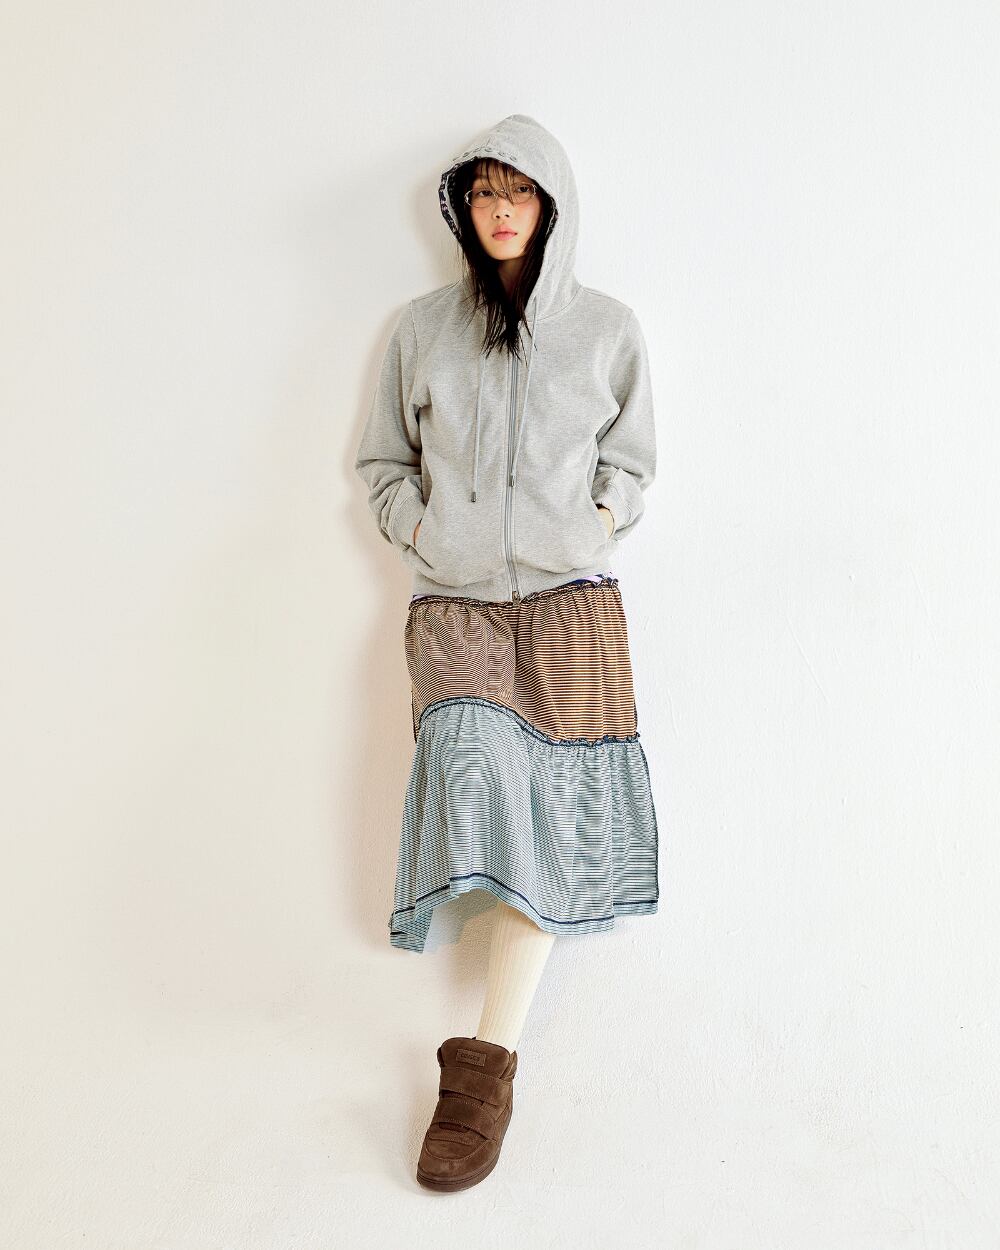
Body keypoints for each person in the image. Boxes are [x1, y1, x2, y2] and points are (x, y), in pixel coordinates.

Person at [354, 113, 660, 1192]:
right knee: (472, 760)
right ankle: (485, 1060)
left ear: (550, 205)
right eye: (483, 192)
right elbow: (383, 461)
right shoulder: (423, 329)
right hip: (458, 607)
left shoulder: (608, 328)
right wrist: (421, 530)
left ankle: (483, 1070)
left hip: (571, 606)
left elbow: (634, 460)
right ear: (462, 208)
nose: (499, 210)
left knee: (550, 818)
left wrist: (597, 519)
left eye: (517, 192)